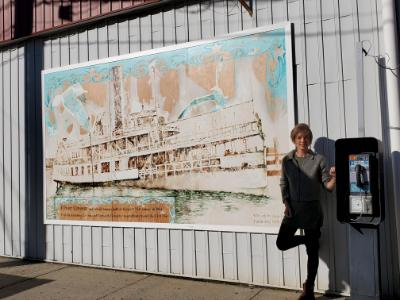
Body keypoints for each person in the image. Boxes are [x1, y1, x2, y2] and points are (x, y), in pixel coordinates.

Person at [276, 123, 336, 300]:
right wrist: (286, 202)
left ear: (309, 139)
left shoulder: (319, 160)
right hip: (293, 211)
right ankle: (306, 240)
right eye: (299, 137)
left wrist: (334, 177)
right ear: (294, 140)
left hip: (312, 212)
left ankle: (308, 288)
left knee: (313, 252)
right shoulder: (287, 160)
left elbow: (328, 187)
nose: (303, 140)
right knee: (282, 243)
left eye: (306, 137)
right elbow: (283, 184)